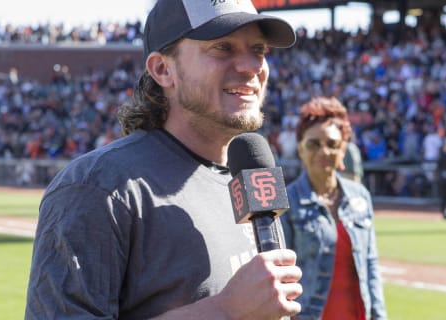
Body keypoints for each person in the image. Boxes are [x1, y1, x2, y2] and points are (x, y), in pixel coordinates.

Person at [25, 1, 303, 319]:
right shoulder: (99, 186)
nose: (250, 66)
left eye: (258, 49)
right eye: (223, 47)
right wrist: (224, 309)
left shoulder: (248, 180)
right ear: (162, 70)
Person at [281, 96, 387, 320]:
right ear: (300, 149)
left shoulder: (360, 197)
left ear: (343, 149)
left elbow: (370, 265)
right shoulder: (286, 202)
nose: (324, 152)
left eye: (332, 144)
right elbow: (280, 279)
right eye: (313, 144)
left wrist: (379, 316)